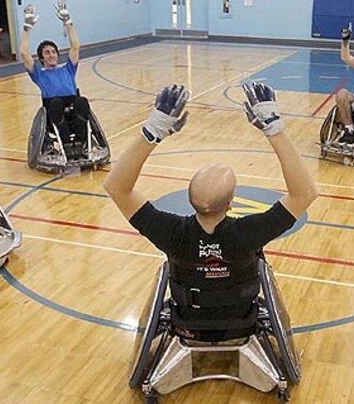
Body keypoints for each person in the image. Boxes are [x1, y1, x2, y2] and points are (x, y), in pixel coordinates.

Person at [103, 82, 317, 335]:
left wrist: (153, 131)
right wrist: (274, 128)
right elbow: (305, 193)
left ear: (190, 198)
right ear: (230, 204)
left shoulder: (172, 233)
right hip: (242, 324)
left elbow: (117, 187)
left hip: (187, 324)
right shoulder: (248, 233)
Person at [20, 1, 89, 155]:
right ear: (41, 58)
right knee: (57, 103)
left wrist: (68, 22)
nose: (51, 55)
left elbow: (75, 46)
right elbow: (24, 53)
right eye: (47, 53)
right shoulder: (39, 74)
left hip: (73, 105)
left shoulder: (68, 69)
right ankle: (66, 145)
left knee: (82, 101)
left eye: (53, 52)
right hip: (53, 108)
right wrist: (27, 27)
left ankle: (80, 143)